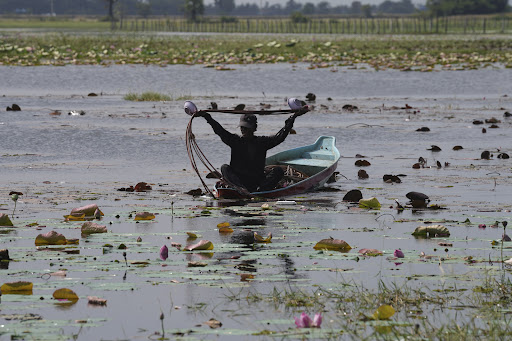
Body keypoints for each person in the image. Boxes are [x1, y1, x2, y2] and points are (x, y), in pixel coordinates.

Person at [197, 108, 306, 193]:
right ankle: (241, 189)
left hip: (257, 182)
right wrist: (206, 117)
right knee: (224, 168)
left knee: (278, 171)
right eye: (243, 128)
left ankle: (259, 191)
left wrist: (292, 118)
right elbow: (219, 130)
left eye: (247, 128)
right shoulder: (235, 141)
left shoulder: (262, 142)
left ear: (254, 128)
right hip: (239, 182)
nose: (244, 130)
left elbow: (280, 137)